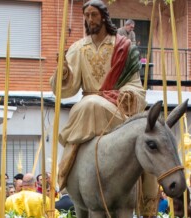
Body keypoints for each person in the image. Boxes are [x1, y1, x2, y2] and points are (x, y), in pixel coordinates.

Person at [51, 0, 147, 212]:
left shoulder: (123, 46)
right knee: (90, 103)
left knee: (149, 138)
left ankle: (148, 196)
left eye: (94, 15)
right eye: (87, 16)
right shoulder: (78, 48)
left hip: (116, 108)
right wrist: (63, 72)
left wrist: (127, 94)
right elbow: (66, 89)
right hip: (86, 103)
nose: (90, 20)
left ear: (104, 17)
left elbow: (135, 85)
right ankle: (72, 160)